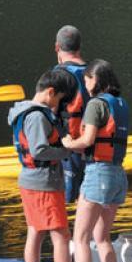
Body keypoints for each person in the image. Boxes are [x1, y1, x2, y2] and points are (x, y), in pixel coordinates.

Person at [61, 59, 129, 262]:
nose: (85, 84)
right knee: (103, 238)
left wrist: (67, 142)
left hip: (98, 172)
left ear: (95, 79)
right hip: (118, 175)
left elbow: (87, 140)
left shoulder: (96, 104)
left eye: (87, 79)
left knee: (80, 238)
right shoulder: (121, 103)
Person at [7, 68, 77, 262]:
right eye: (58, 99)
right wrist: (66, 149)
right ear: (50, 92)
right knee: (60, 235)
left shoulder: (25, 111)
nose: (58, 105)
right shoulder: (36, 116)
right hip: (43, 183)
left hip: (32, 181)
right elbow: (38, 150)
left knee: (35, 233)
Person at [54, 25, 89, 202]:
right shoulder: (95, 72)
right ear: (79, 47)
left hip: (70, 146)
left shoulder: (59, 74)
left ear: (57, 47)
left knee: (69, 202)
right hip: (97, 147)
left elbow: (49, 112)